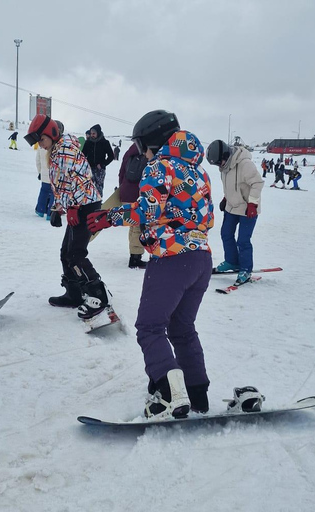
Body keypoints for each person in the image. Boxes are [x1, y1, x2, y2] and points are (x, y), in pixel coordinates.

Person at [86, 110, 221, 420]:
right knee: (182, 327)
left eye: (141, 145)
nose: (141, 152)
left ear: (153, 141)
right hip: (201, 259)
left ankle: (169, 391)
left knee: (149, 327)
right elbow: (202, 215)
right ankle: (197, 391)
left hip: (171, 259)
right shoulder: (198, 171)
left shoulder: (159, 166)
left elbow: (148, 209)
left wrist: (110, 217)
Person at [24, 114, 111, 319]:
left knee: (76, 254)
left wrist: (73, 207)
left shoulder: (66, 149)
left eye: (42, 140)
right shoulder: (55, 150)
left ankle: (98, 295)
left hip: (86, 205)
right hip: (78, 205)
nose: (41, 145)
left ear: (52, 134)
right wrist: (57, 208)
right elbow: (62, 184)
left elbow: (82, 177)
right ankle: (74, 293)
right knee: (66, 252)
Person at [208, 139, 264, 285]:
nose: (219, 166)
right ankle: (232, 261)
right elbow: (231, 185)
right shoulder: (225, 168)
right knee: (226, 234)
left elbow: (257, 183)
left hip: (247, 209)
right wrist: (226, 198)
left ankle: (245, 268)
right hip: (232, 207)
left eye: (219, 162)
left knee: (243, 240)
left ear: (226, 156)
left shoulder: (245, 164)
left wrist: (252, 203)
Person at [117, 143, 149, 269]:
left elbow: (121, 172)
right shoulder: (148, 152)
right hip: (138, 194)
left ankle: (134, 253)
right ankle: (135, 258)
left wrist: (122, 188)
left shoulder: (129, 152)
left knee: (133, 225)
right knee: (138, 227)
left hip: (126, 193)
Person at [81, 124, 115, 196]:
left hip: (100, 170)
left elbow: (111, 156)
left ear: (98, 133)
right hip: (89, 169)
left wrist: (103, 164)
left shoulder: (105, 143)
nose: (92, 135)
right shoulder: (88, 142)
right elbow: (83, 155)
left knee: (98, 188)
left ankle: (98, 204)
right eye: (91, 133)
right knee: (88, 187)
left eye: (94, 133)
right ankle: (89, 204)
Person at [34, 142, 54, 219]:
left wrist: (40, 172)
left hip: (44, 174)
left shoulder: (41, 146)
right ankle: (50, 213)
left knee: (44, 192)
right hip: (54, 175)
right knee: (53, 194)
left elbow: (38, 160)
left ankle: (40, 210)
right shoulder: (55, 146)